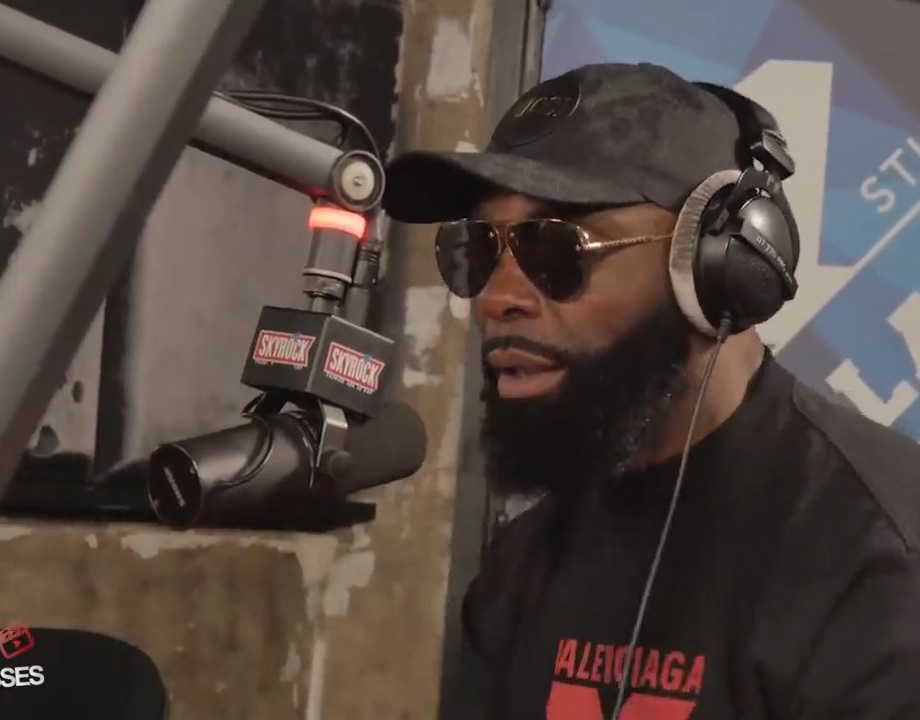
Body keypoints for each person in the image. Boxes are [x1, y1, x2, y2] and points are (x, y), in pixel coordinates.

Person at [383, 62, 920, 720]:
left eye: (556, 248)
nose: (497, 298)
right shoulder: (523, 563)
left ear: (718, 263)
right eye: (478, 249)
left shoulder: (881, 555)